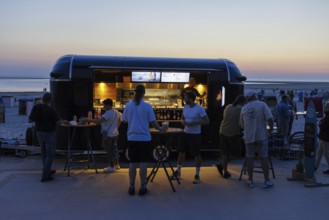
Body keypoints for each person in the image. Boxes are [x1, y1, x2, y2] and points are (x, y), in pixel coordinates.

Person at [122, 85, 167, 196]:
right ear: (144, 93)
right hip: (144, 138)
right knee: (143, 163)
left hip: (132, 138)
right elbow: (153, 122)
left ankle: (132, 187)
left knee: (132, 163)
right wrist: (161, 128)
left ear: (134, 93)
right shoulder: (147, 106)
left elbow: (124, 121)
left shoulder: (128, 105)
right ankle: (143, 187)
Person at [172, 91, 209, 184]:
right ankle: (178, 171)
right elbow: (182, 118)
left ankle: (197, 175)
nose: (184, 99)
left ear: (191, 99)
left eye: (185, 97)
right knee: (181, 152)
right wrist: (183, 122)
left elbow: (206, 121)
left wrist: (194, 123)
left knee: (196, 154)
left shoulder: (199, 109)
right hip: (185, 133)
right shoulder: (185, 107)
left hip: (195, 134)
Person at [240, 91, 274, 188]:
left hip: (248, 136)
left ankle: (250, 180)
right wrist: (270, 131)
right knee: (263, 157)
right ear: (254, 96)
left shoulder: (244, 108)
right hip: (261, 135)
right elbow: (270, 119)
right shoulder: (262, 105)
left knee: (249, 157)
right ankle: (266, 180)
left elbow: (241, 124)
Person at [28, 93, 61, 182]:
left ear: (42, 99)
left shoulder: (36, 107)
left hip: (39, 133)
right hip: (49, 133)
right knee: (50, 154)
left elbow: (30, 120)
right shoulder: (51, 110)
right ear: (51, 100)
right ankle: (45, 176)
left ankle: (47, 170)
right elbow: (59, 122)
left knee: (44, 153)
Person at [216, 95, 246, 178]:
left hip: (222, 131)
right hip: (233, 133)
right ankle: (221, 165)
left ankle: (225, 171)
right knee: (237, 152)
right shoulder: (241, 109)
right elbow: (242, 122)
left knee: (225, 153)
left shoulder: (228, 106)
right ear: (243, 102)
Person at [88, 98, 121, 173]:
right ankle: (117, 164)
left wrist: (88, 120)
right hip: (115, 133)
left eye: (104, 105)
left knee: (109, 150)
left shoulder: (108, 113)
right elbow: (119, 121)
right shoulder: (117, 112)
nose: (103, 107)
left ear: (108, 105)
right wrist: (115, 128)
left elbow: (99, 121)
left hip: (108, 135)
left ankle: (111, 166)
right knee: (114, 149)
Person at [315, 102, 329, 174]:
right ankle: (316, 166)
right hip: (323, 137)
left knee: (326, 153)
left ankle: (316, 166)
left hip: (326, 137)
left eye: (327, 106)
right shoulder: (326, 115)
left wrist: (320, 122)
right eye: (326, 106)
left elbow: (322, 125)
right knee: (320, 152)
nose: (325, 107)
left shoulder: (327, 116)